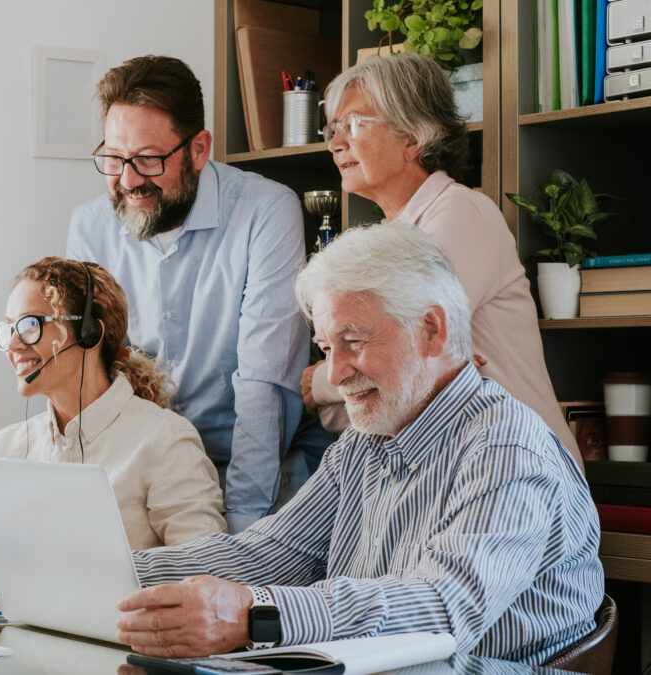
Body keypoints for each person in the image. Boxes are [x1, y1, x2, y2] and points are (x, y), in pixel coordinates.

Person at [115, 224, 602, 664]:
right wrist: (111, 570)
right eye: (327, 348)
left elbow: (442, 609)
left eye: (354, 342)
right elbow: (267, 553)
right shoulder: (364, 443)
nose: (334, 374)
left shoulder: (507, 448)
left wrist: (252, 615)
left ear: (431, 330)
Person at [67, 55, 318, 533]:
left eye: (148, 158)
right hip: (143, 468)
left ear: (199, 149)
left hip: (249, 464)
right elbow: (89, 373)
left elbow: (263, 382)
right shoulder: (90, 226)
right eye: (114, 158)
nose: (128, 180)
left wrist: (239, 531)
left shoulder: (266, 211)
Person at [300, 52, 582, 468]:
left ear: (413, 137)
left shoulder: (460, 212)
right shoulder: (393, 234)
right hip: (447, 463)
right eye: (333, 128)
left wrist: (321, 381)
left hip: (517, 467)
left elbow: (411, 354)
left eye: (354, 124)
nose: (336, 143)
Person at [0, 257, 226, 566]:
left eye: (30, 325)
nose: (13, 345)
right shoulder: (8, 446)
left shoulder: (165, 440)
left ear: (89, 333)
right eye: (9, 329)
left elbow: (207, 569)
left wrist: (67, 568)